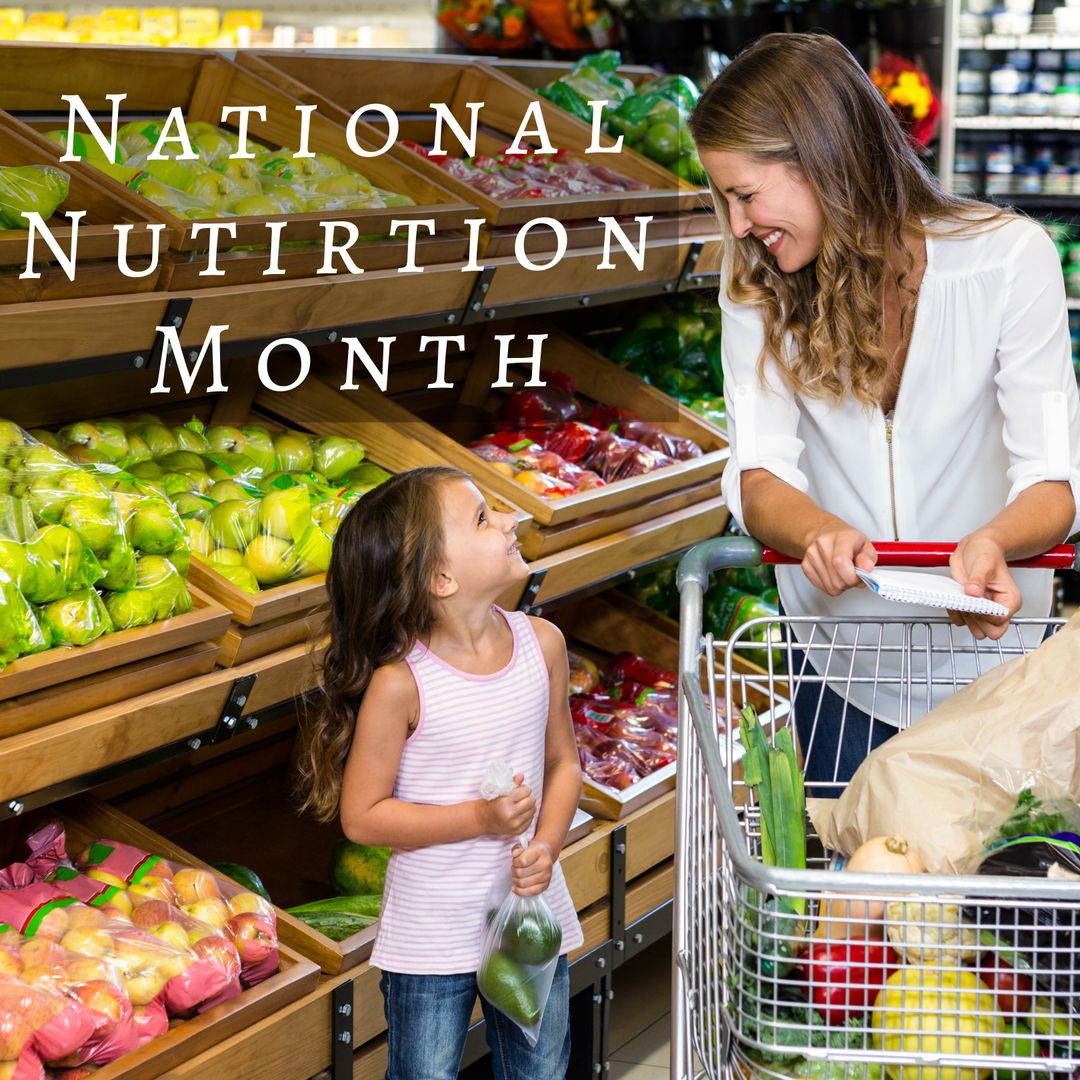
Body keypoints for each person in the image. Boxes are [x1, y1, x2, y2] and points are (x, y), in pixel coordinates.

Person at [689, 33, 1080, 789]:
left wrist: (994, 543)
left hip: (996, 671)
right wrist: (818, 533)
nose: (738, 226)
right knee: (851, 895)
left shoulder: (1006, 259)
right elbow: (760, 468)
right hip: (842, 670)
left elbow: (1055, 477)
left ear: (824, 160)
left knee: (990, 903)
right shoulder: (756, 287)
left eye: (746, 194)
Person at [294, 465, 584, 1079]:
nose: (509, 521)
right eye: (483, 518)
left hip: (527, 916)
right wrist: (480, 818)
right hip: (431, 933)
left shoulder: (543, 645)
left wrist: (549, 846)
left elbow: (564, 763)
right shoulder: (402, 685)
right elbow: (363, 817)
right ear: (441, 578)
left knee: (542, 1068)